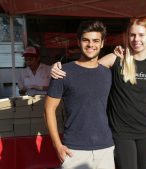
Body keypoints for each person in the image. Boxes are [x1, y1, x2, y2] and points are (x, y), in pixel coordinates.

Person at [50, 18, 146, 169]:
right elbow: (88, 68)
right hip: (121, 133)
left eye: (141, 35)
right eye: (132, 35)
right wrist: (57, 67)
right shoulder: (115, 59)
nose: (136, 39)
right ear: (127, 37)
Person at [44, 20, 115, 169]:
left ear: (102, 43)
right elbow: (48, 110)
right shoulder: (63, 72)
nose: (91, 45)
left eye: (96, 40)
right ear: (78, 42)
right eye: (86, 40)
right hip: (74, 150)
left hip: (106, 148)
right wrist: (57, 146)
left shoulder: (108, 74)